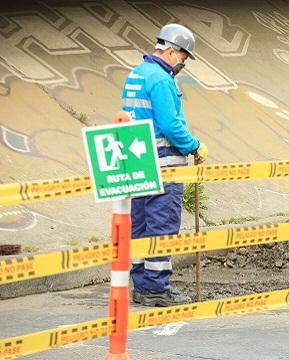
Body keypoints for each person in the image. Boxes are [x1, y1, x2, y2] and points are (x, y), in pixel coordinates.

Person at [122, 23, 208, 307]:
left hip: (138, 161)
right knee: (162, 224)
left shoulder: (137, 74)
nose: (183, 63)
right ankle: (156, 288)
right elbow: (171, 125)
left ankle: (141, 285)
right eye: (183, 57)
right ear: (171, 50)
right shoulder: (160, 79)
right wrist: (194, 145)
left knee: (140, 223)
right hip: (164, 163)